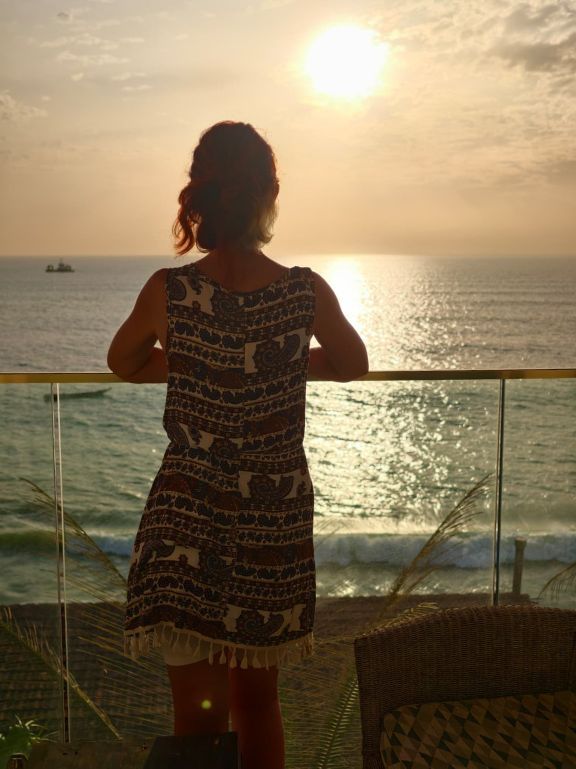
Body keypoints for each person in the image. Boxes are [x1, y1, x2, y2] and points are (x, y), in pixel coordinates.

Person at [107, 120, 368, 769]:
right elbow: (353, 361)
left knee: (195, 720)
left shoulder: (170, 291)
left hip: (185, 522)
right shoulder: (302, 290)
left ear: (197, 198)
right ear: (267, 195)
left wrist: (194, 360)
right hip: (269, 526)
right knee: (257, 707)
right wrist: (277, 361)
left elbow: (123, 361)